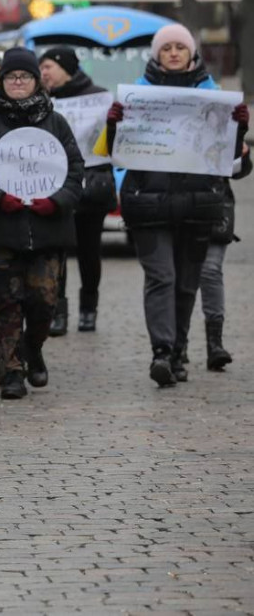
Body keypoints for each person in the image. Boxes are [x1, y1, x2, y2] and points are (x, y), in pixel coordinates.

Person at [104, 23, 248, 386]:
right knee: (160, 278)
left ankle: (180, 349)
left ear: (191, 53)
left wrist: (239, 132)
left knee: (186, 284)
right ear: (156, 55)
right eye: (165, 48)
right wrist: (114, 127)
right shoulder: (135, 97)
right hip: (149, 204)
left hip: (198, 205)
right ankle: (162, 352)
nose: (172, 53)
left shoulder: (214, 96)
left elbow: (230, 163)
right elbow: (115, 153)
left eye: (179, 47)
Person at [0, 48, 83, 400]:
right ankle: (12, 370)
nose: (17, 82)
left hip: (46, 230)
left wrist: (55, 202)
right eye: (11, 77)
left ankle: (33, 347)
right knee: (6, 301)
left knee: (44, 301)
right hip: (0, 228)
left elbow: (75, 172)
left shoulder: (56, 123)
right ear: (2, 82)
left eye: (24, 77)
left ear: (35, 82)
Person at [38, 46, 116, 334]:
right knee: (57, 251)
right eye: (42, 68)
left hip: (90, 186)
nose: (44, 73)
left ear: (66, 68)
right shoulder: (42, 99)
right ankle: (59, 311)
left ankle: (88, 309)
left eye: (49, 67)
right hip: (55, 186)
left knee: (88, 250)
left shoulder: (98, 96)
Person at [199, 142, 250, 371]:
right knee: (179, 277)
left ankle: (215, 343)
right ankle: (175, 345)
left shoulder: (223, 111)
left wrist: (242, 152)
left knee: (210, 270)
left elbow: (238, 169)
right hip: (174, 203)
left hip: (215, 206)